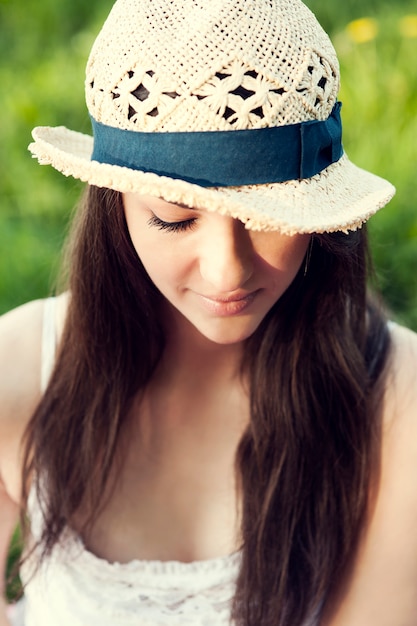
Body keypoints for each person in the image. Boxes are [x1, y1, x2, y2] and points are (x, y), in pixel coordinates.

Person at [1, 0, 417, 624]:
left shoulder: (396, 403)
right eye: (174, 217)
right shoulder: (20, 371)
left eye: (267, 217)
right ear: (115, 205)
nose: (227, 270)